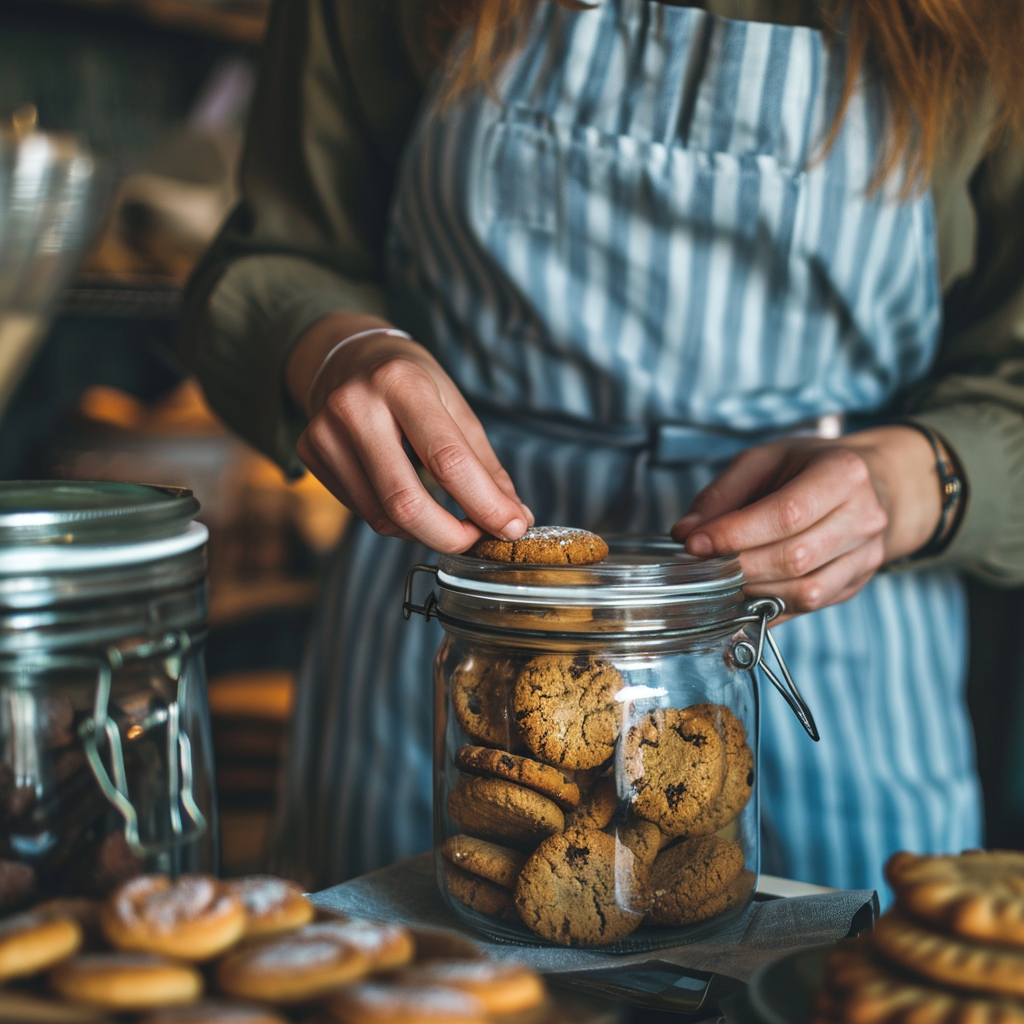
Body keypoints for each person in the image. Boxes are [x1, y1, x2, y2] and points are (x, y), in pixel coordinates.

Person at [181, 0, 1024, 896]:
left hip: (822, 618)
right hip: (462, 610)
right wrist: (334, 351)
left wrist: (917, 478)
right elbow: (274, 255)